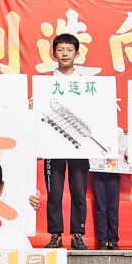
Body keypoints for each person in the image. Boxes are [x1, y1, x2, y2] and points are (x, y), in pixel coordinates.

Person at [42, 33, 89, 250]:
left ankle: (78, 234)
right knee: (55, 192)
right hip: (53, 145)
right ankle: (55, 234)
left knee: (79, 192)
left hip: (79, 146)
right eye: (60, 50)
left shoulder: (86, 83)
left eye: (69, 50)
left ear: (77, 54)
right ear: (54, 54)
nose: (65, 54)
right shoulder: (45, 83)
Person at [89, 127, 127, 250]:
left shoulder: (118, 130)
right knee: (101, 206)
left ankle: (113, 239)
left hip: (114, 169)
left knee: (113, 206)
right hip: (97, 168)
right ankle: (103, 240)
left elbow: (124, 146)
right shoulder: (94, 128)